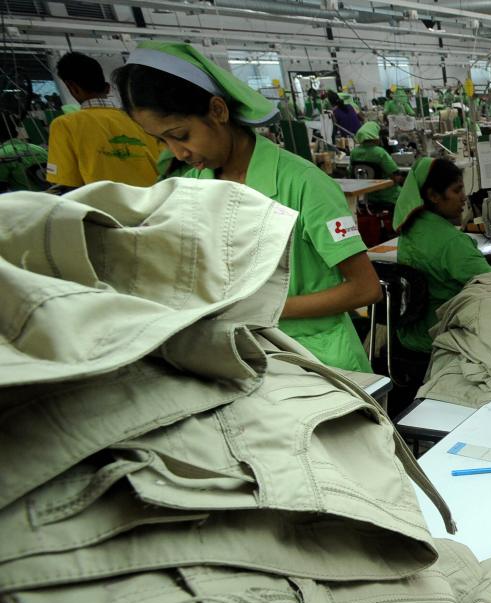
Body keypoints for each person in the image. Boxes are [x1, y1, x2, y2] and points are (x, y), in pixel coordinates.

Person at [113, 41, 381, 373]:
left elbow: (364, 289)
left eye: (181, 135)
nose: (177, 152)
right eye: (163, 141)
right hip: (236, 354)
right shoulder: (193, 188)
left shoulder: (304, 184)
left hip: (319, 360)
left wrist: (257, 308)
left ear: (217, 111)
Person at [393, 158, 491, 354]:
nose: (464, 198)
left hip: (409, 335)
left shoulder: (410, 230)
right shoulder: (452, 243)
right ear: (433, 195)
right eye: (456, 190)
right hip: (441, 336)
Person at [47, 52, 160, 188]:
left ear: (72, 87)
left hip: (104, 207)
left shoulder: (64, 125)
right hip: (157, 201)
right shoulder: (140, 118)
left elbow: (66, 182)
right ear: (107, 88)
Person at [349, 120, 402, 209]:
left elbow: (352, 174)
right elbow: (396, 176)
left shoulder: (354, 153)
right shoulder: (379, 152)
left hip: (368, 196)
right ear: (375, 136)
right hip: (389, 196)